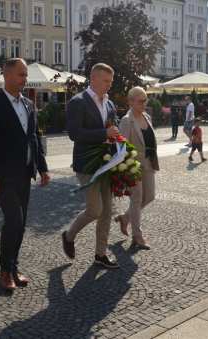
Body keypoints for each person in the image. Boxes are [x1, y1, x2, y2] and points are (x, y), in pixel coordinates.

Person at [0, 58, 50, 291]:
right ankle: (4, 270)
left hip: (25, 173)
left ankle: (13, 266)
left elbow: (34, 138)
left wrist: (42, 167)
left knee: (21, 224)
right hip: (3, 175)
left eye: (25, 74)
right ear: (7, 76)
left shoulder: (29, 104)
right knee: (14, 220)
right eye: (21, 75)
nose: (25, 79)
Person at [61, 62, 120, 269]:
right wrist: (104, 134)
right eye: (105, 81)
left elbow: (115, 125)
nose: (109, 85)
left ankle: (100, 254)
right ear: (93, 79)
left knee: (107, 212)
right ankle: (69, 235)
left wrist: (117, 138)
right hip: (87, 164)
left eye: (110, 82)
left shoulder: (109, 103)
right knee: (95, 210)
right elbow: (74, 134)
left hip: (107, 163)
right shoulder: (78, 102)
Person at [115, 87, 159, 250]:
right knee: (137, 198)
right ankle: (137, 236)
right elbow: (121, 146)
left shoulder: (147, 116)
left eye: (145, 99)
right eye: (141, 100)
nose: (144, 103)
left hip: (149, 163)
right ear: (131, 101)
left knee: (150, 196)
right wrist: (126, 169)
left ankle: (125, 218)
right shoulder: (127, 120)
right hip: (133, 166)